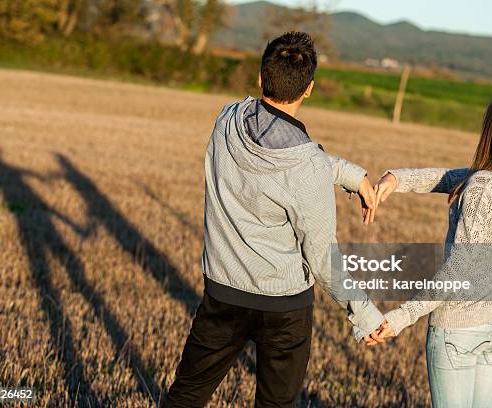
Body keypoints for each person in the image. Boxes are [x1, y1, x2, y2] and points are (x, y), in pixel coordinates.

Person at [160, 31, 387, 408]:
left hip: (222, 293)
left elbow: (289, 169)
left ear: (261, 78)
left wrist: (350, 174)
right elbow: (321, 256)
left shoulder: (226, 121)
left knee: (185, 395)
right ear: (309, 89)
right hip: (284, 309)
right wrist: (363, 312)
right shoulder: (308, 165)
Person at [371, 89, 492, 408]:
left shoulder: (481, 188)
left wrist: (401, 317)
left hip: (460, 331)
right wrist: (397, 179)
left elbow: (457, 272)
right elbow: (451, 177)